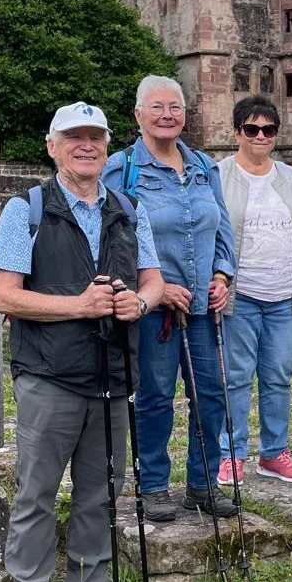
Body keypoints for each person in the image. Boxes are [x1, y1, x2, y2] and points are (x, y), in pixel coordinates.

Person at [0, 101, 164, 582]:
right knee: (36, 494)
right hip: (49, 378)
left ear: (108, 147)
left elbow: (153, 281)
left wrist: (141, 305)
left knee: (101, 497)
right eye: (73, 137)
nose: (86, 146)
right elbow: (2, 296)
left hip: (112, 377)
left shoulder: (129, 210)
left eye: (96, 137)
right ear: (52, 146)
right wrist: (79, 306)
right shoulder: (26, 209)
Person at [101, 75, 238, 522]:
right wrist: (154, 289)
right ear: (138, 115)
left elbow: (221, 228)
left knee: (211, 396)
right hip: (153, 311)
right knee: (156, 396)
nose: (167, 115)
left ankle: (202, 485)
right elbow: (111, 240)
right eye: (156, 107)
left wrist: (221, 275)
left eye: (175, 107)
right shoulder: (122, 169)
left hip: (202, 309)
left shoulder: (202, 166)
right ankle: (154, 486)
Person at [214, 94, 292, 485]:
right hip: (240, 294)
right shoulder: (217, 174)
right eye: (252, 128)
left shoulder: (291, 178)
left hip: (282, 296)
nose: (260, 135)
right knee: (236, 377)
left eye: (268, 129)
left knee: (278, 375)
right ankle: (232, 453)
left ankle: (274, 452)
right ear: (237, 132)